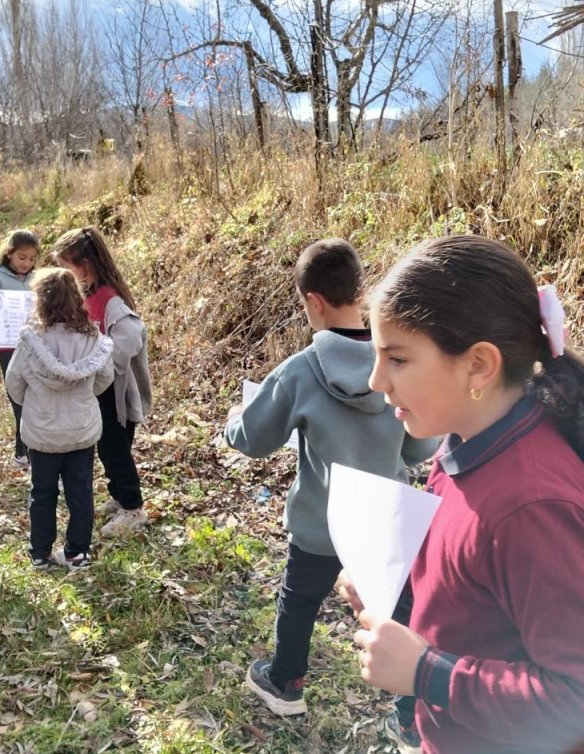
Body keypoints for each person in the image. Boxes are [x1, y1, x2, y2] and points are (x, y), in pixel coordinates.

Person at [341, 235, 584, 754]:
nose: (375, 380)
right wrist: (397, 594)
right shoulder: (466, 442)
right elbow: (474, 589)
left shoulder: (535, 507)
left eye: (398, 359)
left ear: (478, 365)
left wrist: (427, 672)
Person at [223, 238, 438, 723]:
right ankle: (411, 713)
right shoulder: (398, 361)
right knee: (399, 609)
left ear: (313, 301)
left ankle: (286, 683)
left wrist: (234, 420)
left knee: (299, 601)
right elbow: (420, 447)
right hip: (386, 518)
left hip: (322, 523)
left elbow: (253, 438)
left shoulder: (300, 371)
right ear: (358, 291)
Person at [4, 268, 114, 570]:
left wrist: (34, 404)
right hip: (81, 430)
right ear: (77, 298)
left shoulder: (31, 340)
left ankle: (40, 553)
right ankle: (77, 552)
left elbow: (14, 382)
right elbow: (105, 378)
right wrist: (84, 396)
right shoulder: (93, 339)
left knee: (42, 492)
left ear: (40, 300)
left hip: (42, 432)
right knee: (80, 492)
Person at [52, 227, 152, 538]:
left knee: (115, 449)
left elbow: (131, 336)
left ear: (84, 264)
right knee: (107, 448)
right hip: (99, 389)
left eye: (66, 266)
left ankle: (133, 508)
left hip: (114, 392)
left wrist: (101, 365)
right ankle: (119, 497)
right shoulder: (89, 294)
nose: (63, 273)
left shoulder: (109, 299)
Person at [0, 230, 39, 466]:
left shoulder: (36, 277)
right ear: (9, 253)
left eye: (32, 258)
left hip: (35, 344)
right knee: (17, 397)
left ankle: (28, 449)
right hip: (8, 346)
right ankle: (23, 451)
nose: (27, 263)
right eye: (22, 257)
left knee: (35, 396)